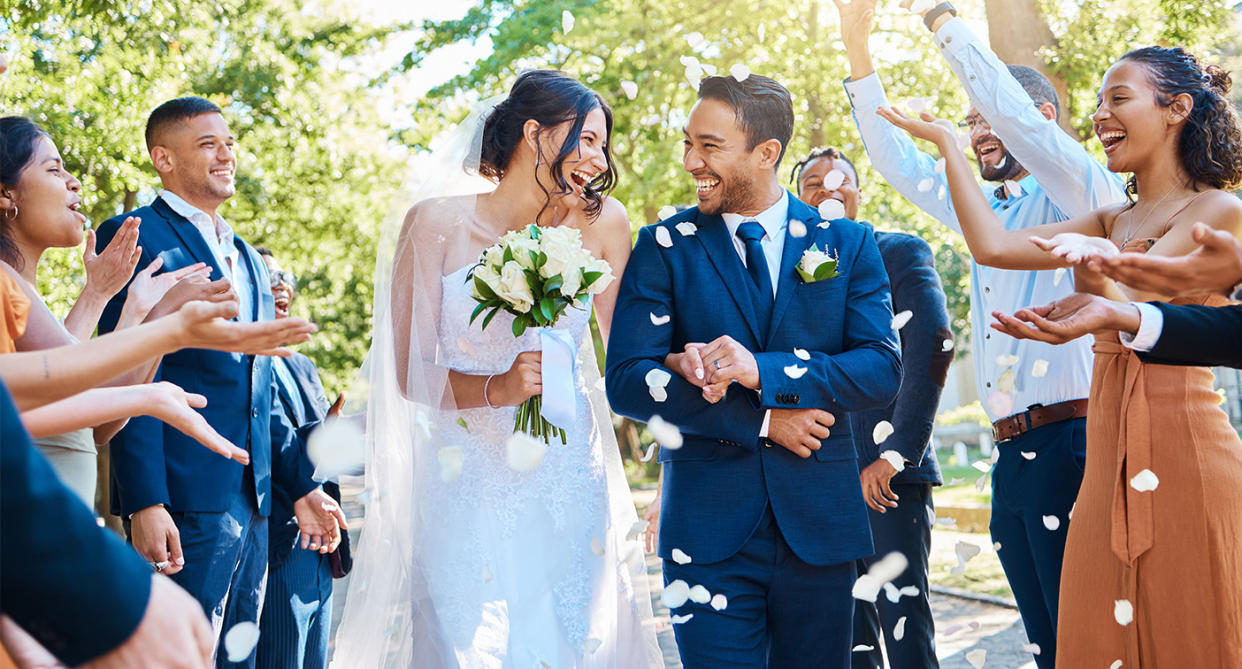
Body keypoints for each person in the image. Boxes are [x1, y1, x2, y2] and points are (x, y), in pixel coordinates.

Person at [881, 45, 1242, 667]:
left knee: (1188, 625)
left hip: (1185, 446)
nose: (1101, 114)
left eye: (1118, 98)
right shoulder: (1108, 217)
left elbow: (1139, 296)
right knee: (1092, 633)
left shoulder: (1219, 210)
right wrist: (947, 145)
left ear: (1178, 109)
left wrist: (1097, 279)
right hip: (1106, 452)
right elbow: (991, 245)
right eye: (1100, 101)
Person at [331, 70, 661, 667]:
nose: (598, 157)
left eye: (602, 144)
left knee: (567, 635)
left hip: (567, 470)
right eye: (586, 139)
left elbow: (630, 357)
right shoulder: (433, 224)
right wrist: (498, 387)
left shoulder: (605, 222)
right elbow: (411, 371)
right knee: (467, 637)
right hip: (465, 474)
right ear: (535, 134)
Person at [835, 1, 1128, 662]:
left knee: (1081, 635)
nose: (976, 133)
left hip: (1074, 437)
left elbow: (1017, 116)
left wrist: (941, 19)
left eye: (983, 119)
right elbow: (903, 167)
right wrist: (858, 50)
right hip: (1012, 451)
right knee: (1044, 637)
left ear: (1038, 122)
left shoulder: (1081, 191)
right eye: (969, 123)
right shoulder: (984, 213)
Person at [607, 73, 901, 668]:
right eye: (688, 143)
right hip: (707, 532)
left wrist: (762, 371)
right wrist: (764, 423)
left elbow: (879, 368)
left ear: (766, 153)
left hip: (819, 530)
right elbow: (627, 378)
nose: (692, 161)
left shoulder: (848, 242)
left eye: (709, 146)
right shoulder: (663, 245)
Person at [95, 97, 344, 668]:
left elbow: (262, 392)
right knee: (180, 656)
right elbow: (126, 371)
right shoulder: (134, 233)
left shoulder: (249, 259)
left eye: (228, 142)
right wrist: (145, 501)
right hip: (181, 499)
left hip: (253, 505)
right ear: (163, 158)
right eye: (208, 144)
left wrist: (301, 488)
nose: (226, 154)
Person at [792, 146, 952, 669]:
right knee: (846, 637)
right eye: (812, 182)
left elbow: (933, 347)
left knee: (906, 629)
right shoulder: (787, 274)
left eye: (840, 179)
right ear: (797, 200)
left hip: (888, 478)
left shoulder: (899, 252)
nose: (827, 188)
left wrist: (897, 454)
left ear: (860, 193)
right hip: (817, 483)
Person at [0, 115, 197, 504]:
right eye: (54, 169)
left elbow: (96, 425)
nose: (74, 181)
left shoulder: (23, 290)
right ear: (6, 195)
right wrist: (161, 320)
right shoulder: (4, 281)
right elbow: (90, 389)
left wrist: (110, 298)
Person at [254, 248, 349, 669]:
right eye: (268, 278)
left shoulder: (305, 366)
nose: (281, 287)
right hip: (279, 538)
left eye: (286, 278)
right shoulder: (241, 364)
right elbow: (269, 441)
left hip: (323, 544)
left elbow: (318, 443)